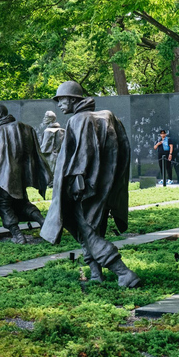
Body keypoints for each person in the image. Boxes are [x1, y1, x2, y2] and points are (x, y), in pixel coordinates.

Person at [41, 81, 139, 287]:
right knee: (92, 229)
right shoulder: (109, 117)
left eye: (61, 99)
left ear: (73, 99)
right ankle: (96, 275)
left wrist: (76, 186)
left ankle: (124, 273)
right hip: (105, 188)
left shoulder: (79, 120)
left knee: (86, 230)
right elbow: (123, 152)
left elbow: (80, 158)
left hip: (83, 189)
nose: (59, 104)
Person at [0, 104, 50, 244]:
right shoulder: (25, 127)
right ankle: (45, 224)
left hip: (3, 176)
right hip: (22, 176)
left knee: (4, 204)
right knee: (23, 202)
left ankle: (17, 235)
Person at [40, 111, 65, 182]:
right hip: (60, 155)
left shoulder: (48, 131)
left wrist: (39, 154)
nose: (44, 119)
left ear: (50, 119)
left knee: (50, 172)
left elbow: (45, 147)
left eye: (46, 117)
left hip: (50, 156)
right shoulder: (62, 130)